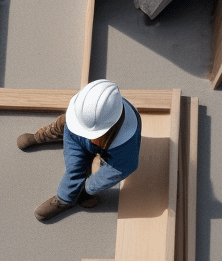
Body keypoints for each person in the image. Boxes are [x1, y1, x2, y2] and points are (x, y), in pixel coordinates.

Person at [18, 79, 142, 221]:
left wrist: (88, 188)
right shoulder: (88, 106)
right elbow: (69, 125)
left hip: (108, 149)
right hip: (75, 136)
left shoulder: (126, 146)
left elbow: (113, 173)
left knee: (88, 179)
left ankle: (66, 199)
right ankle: (47, 136)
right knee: (73, 165)